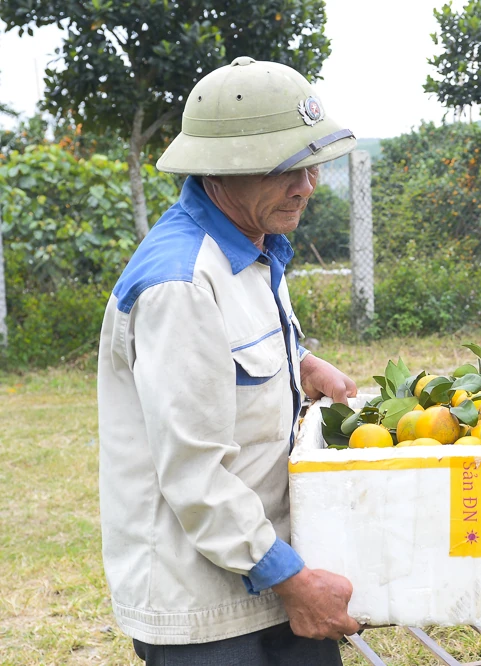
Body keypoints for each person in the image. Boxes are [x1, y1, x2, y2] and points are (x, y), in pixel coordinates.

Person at [97, 57, 361, 665]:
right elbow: (195, 474)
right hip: (206, 605)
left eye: (310, 163)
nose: (307, 185)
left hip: (270, 569)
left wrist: (302, 363)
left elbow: (238, 351)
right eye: (285, 168)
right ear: (222, 169)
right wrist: (293, 581)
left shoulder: (254, 244)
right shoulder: (182, 284)